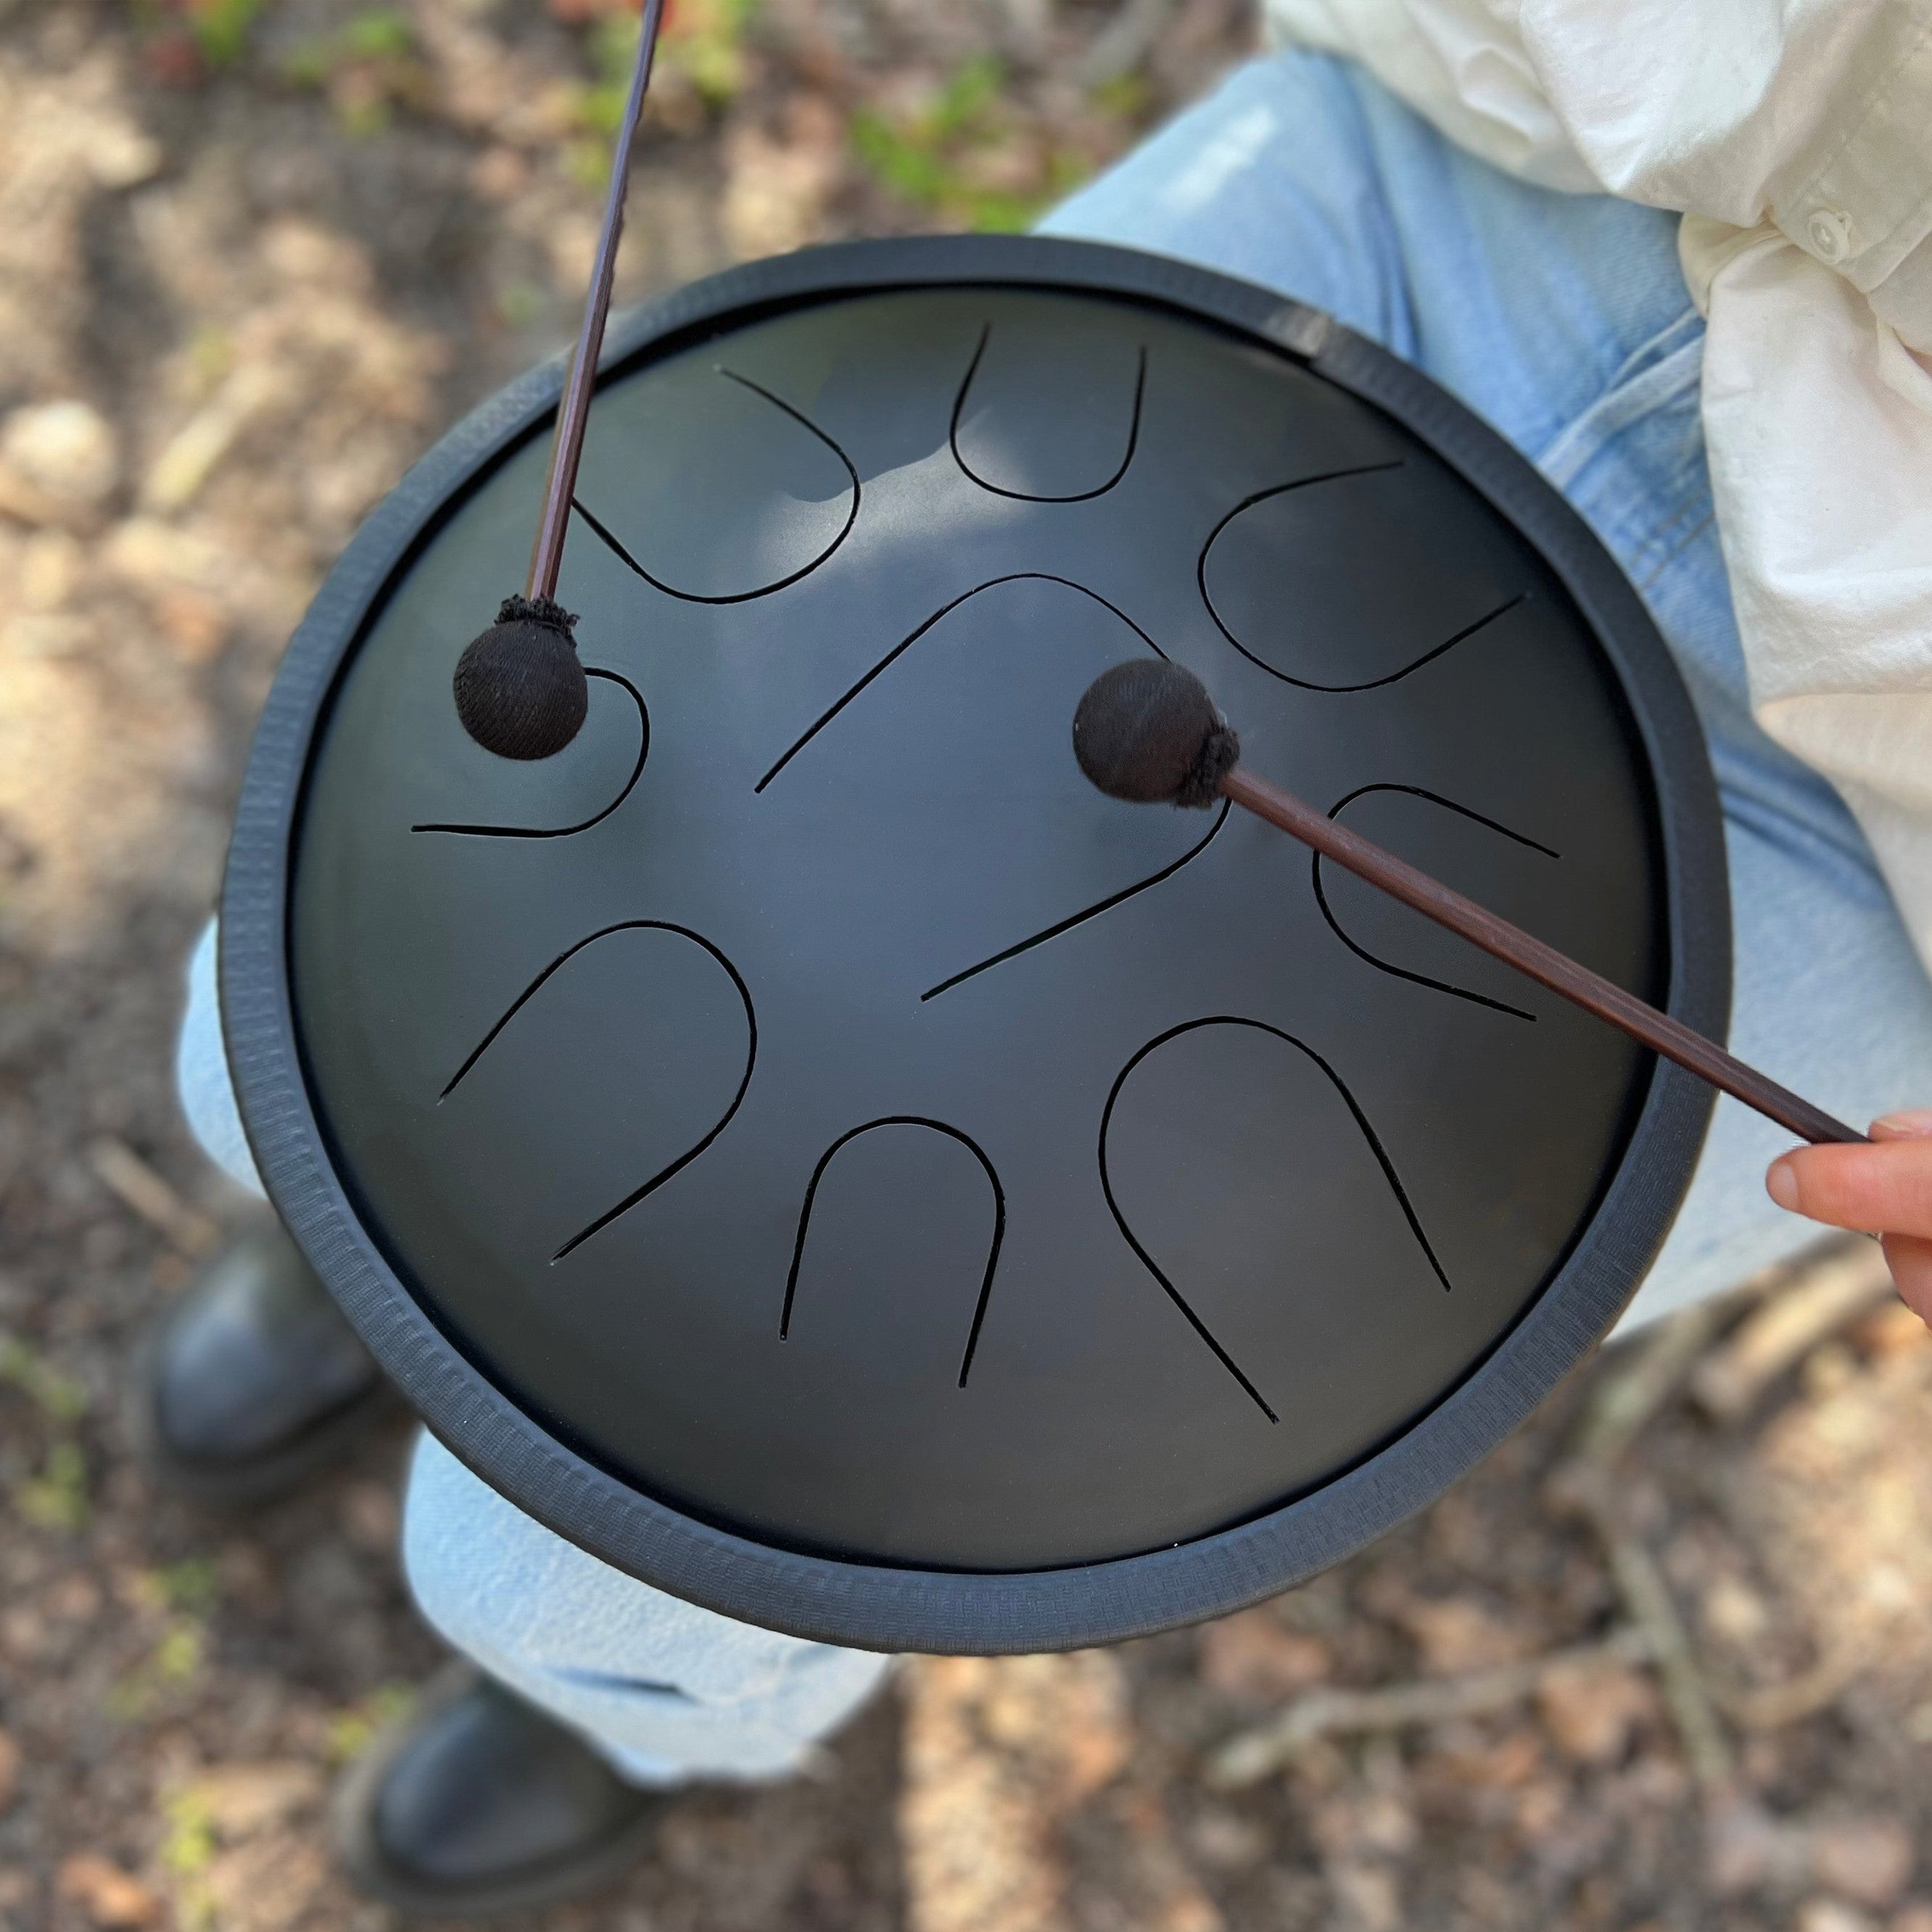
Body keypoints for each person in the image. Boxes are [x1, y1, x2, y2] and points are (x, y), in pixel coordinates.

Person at [146, 4, 1932, 1915]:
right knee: (268, 1040)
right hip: (1496, 164)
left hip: (1867, 787)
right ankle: (381, 1261)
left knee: (553, 1572)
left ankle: (630, 1708)